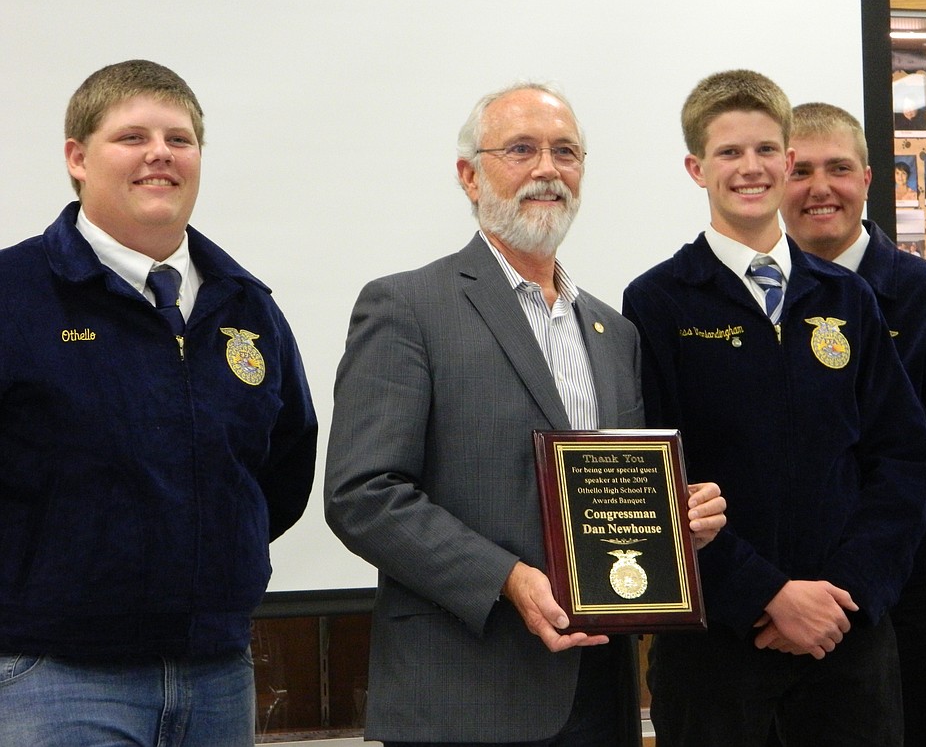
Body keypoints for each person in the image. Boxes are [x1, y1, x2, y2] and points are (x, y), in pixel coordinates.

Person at [323, 82, 727, 747]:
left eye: (566, 151)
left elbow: (609, 491)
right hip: (466, 697)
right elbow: (362, 494)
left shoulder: (611, 330)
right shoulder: (408, 307)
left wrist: (675, 523)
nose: (548, 169)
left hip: (600, 693)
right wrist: (506, 578)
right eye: (521, 149)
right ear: (469, 175)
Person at [0, 60, 318, 746]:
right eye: (132, 137)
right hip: (53, 676)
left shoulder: (248, 306)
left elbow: (283, 464)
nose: (160, 155)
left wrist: (214, 552)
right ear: (76, 158)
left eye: (179, 138)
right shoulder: (12, 295)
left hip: (217, 676)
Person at [623, 71, 926, 746]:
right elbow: (655, 482)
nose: (750, 167)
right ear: (695, 167)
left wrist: (841, 595)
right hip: (718, 645)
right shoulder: (659, 302)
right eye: (729, 153)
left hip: (844, 641)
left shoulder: (846, 299)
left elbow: (904, 459)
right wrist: (768, 595)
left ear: (787, 158)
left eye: (766, 149)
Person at [779, 102, 926, 747]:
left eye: (839, 168)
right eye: (800, 170)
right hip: (778, 612)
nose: (819, 187)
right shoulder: (748, 304)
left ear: (868, 179)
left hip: (907, 610)